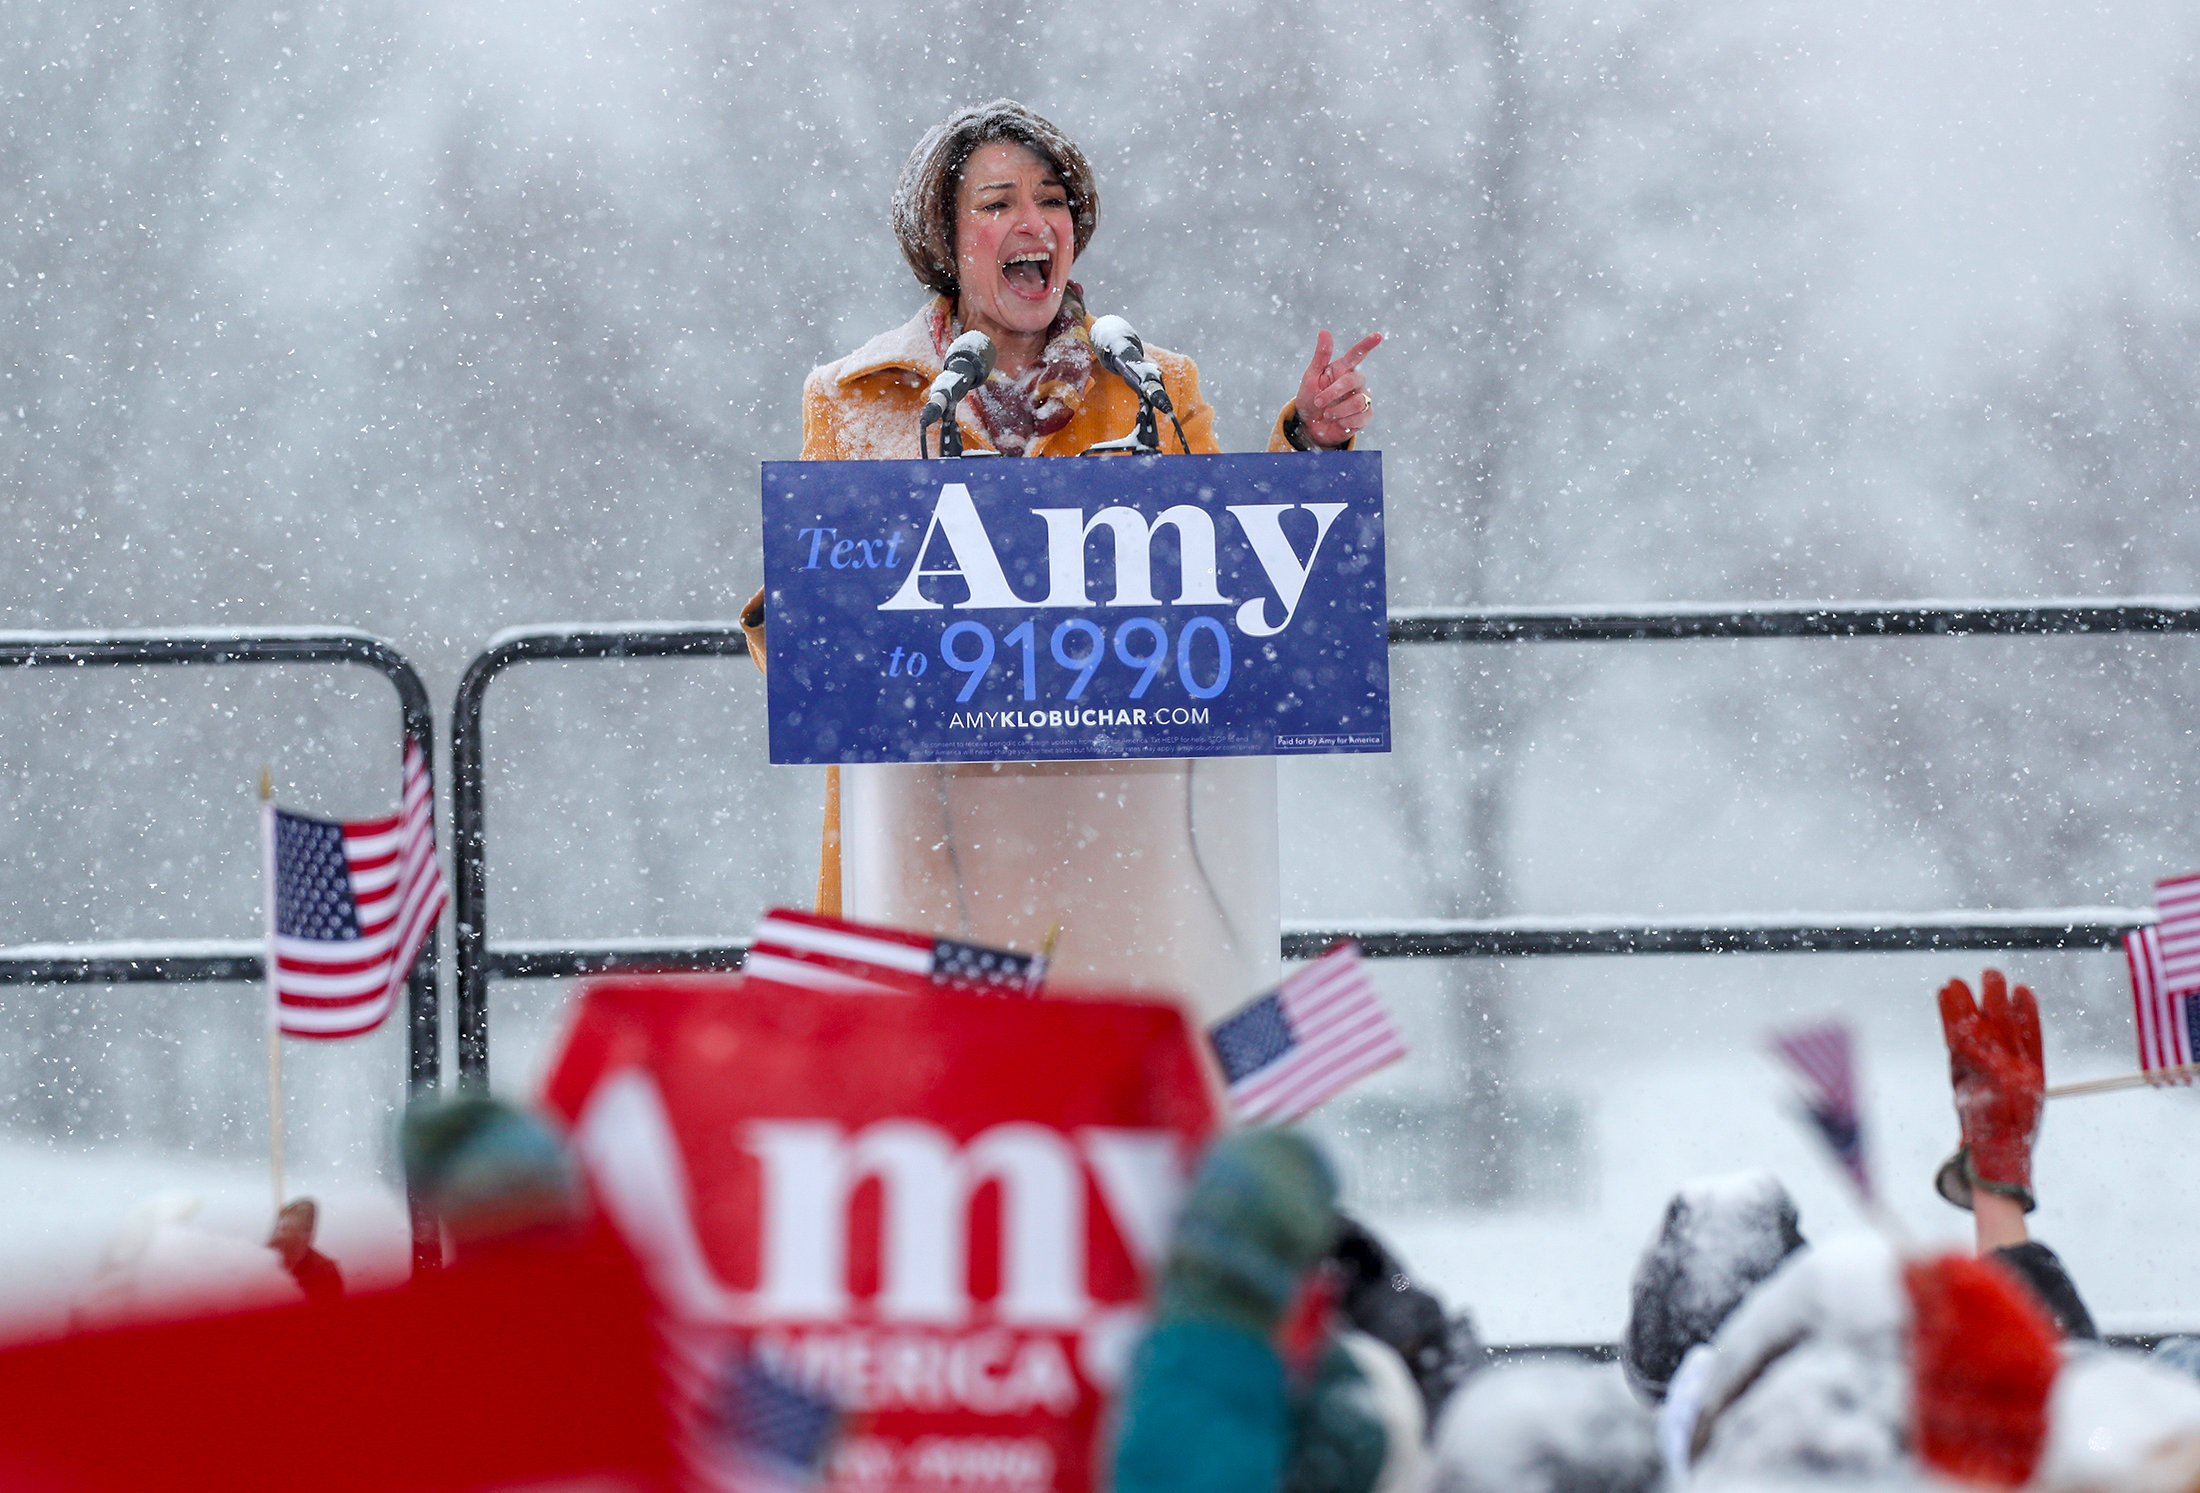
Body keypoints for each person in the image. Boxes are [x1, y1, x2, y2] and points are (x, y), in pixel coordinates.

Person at [752, 99, 1381, 1023]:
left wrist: (1313, 445)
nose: (1033, 222)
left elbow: (1239, 581)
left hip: (1116, 844)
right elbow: (807, 655)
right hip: (928, 853)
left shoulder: (1151, 387)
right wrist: (816, 603)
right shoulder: (856, 402)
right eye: (998, 202)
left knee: (1100, 1072)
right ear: (944, 239)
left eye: (1051, 200)